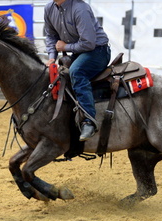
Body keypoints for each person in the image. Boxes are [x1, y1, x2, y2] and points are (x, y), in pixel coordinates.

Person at [44, 0, 111, 141]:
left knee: (76, 71)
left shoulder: (80, 8)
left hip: (98, 51)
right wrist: (52, 57)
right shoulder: (49, 8)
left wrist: (65, 47)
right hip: (78, 52)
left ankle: (89, 121)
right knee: (59, 75)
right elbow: (51, 36)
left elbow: (89, 43)